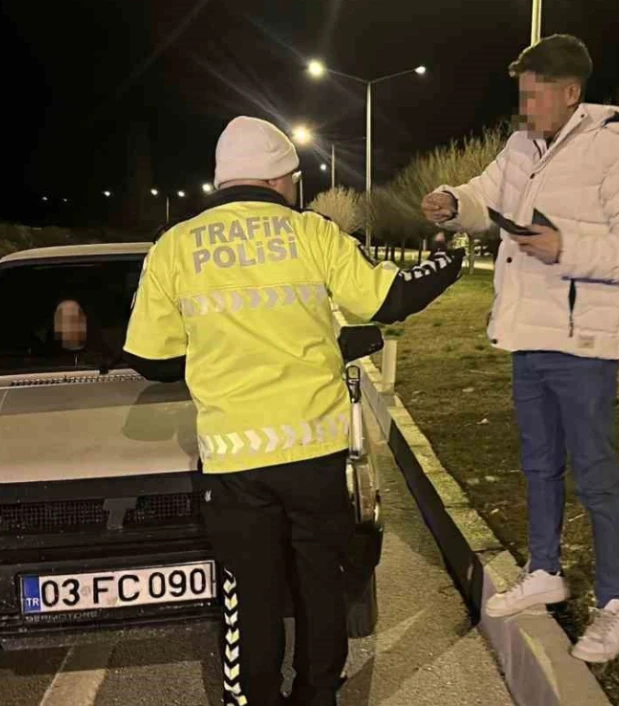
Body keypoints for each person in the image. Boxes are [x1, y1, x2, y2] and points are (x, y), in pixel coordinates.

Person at [124, 116, 464, 706]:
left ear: (223, 180)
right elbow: (390, 298)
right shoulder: (312, 233)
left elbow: (151, 359)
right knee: (319, 587)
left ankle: (255, 698)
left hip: (233, 459)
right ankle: (317, 695)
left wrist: (221, 352)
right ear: (283, 180)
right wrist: (450, 262)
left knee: (250, 593)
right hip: (313, 451)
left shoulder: (175, 246)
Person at [421, 34, 619, 664]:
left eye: (534, 97)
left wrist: (568, 248)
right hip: (527, 334)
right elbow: (485, 196)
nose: (525, 107)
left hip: (583, 341)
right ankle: (545, 571)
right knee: (537, 466)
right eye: (521, 96)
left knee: (596, 476)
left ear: (570, 93)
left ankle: (616, 607)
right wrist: (456, 203)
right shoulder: (520, 146)